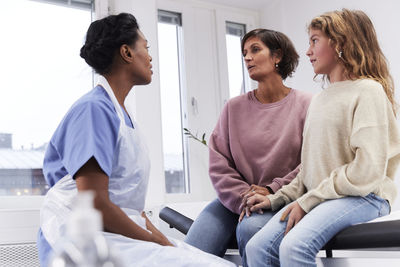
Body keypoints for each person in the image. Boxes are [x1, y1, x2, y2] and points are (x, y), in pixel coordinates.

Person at [37, 13, 234, 267]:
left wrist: (165, 241)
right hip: (81, 237)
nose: (150, 57)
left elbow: (132, 208)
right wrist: (155, 242)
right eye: (146, 48)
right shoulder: (94, 110)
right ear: (127, 53)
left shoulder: (125, 119)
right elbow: (94, 203)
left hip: (116, 233)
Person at [243, 9, 400, 267]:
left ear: (340, 43)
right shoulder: (319, 100)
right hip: (326, 196)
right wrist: (276, 198)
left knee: (295, 247)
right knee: (256, 248)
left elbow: (367, 172)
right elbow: (310, 170)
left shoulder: (368, 91)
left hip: (366, 196)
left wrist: (309, 201)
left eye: (315, 41)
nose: (307, 51)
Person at [185, 28, 313, 266]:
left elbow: (312, 161)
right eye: (244, 52)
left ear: (277, 56)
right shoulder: (233, 108)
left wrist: (271, 190)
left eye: (255, 50)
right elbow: (218, 162)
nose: (247, 57)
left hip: (281, 198)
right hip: (237, 199)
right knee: (192, 250)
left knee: (250, 230)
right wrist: (245, 196)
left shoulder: (307, 104)